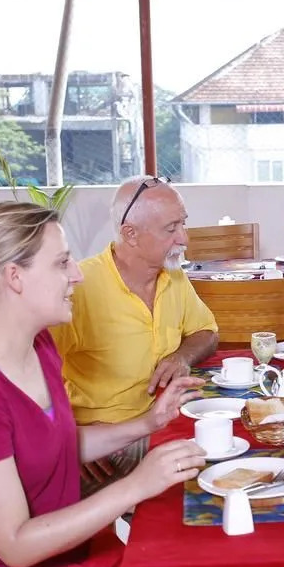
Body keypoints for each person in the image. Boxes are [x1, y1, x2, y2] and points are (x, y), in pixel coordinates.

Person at [0, 202, 264, 567]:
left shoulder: (38, 347)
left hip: (67, 560)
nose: (77, 275)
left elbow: (52, 442)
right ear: (14, 277)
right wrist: (135, 485)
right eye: (62, 262)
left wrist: (148, 422)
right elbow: (16, 545)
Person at [51, 176, 218, 495]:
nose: (184, 238)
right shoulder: (81, 288)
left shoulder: (173, 274)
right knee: (210, 478)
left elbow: (206, 331)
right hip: (108, 444)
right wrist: (70, 437)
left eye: (183, 224)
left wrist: (181, 357)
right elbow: (28, 376)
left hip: (163, 422)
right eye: (171, 229)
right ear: (131, 234)